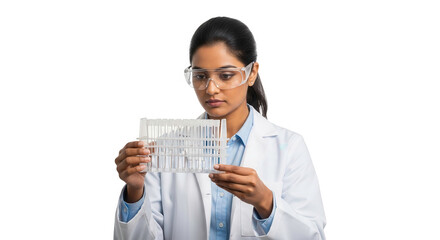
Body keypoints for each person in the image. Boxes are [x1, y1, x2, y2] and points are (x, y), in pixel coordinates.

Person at [114, 17, 326, 240]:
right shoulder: (163, 151)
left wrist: (265, 202)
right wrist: (135, 192)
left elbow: (313, 235)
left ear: (251, 73)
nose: (211, 89)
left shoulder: (289, 147)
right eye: (200, 76)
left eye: (225, 76)